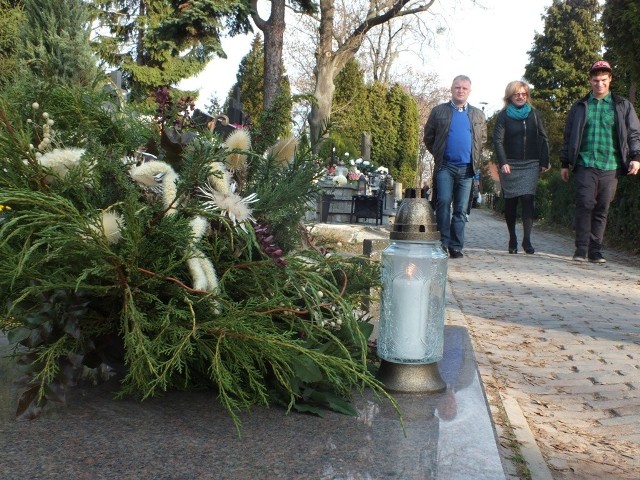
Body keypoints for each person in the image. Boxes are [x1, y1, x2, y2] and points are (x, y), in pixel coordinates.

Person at [560, 60, 640, 263]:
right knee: (585, 204)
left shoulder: (622, 106)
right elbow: (568, 136)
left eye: (604, 80)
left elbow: (634, 133)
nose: (600, 84)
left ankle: (595, 251)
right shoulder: (580, 106)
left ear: (610, 79)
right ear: (590, 80)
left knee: (602, 208)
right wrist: (564, 163)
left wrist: (636, 157)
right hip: (585, 163)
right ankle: (581, 249)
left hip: (611, 165)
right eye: (596, 80)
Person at [424, 75, 487, 258]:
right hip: (445, 166)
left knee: (461, 209)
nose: (460, 91)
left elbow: (482, 139)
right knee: (443, 202)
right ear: (451, 89)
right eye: (457, 87)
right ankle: (442, 242)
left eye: (464, 88)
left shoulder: (478, 114)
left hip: (467, 169)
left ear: (469, 91)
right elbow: (429, 137)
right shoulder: (438, 112)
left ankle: (456, 246)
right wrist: (438, 154)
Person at [493, 80, 550, 254]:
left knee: (527, 198)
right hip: (510, 164)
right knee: (511, 201)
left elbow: (543, 137)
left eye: (524, 94)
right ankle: (512, 238)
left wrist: (544, 160)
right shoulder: (503, 116)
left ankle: (527, 240)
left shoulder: (534, 114)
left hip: (530, 163)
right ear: (510, 96)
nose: (520, 96)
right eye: (517, 93)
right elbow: (498, 140)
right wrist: (503, 162)